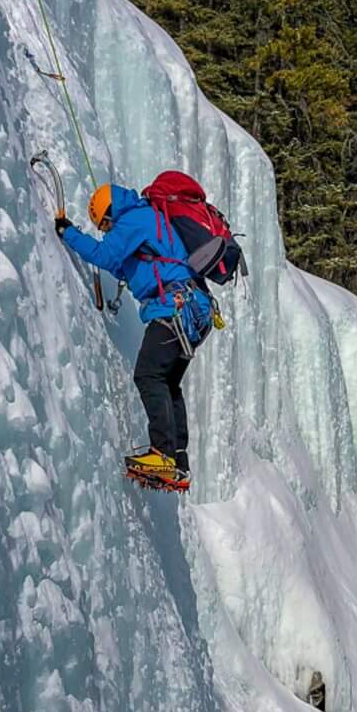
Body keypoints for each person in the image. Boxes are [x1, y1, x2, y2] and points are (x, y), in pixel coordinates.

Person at [57, 181, 216, 489]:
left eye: (104, 224)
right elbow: (127, 266)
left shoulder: (132, 219)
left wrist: (68, 232)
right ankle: (178, 463)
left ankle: (163, 455)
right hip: (193, 310)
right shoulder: (147, 220)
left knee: (148, 375)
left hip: (175, 307)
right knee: (168, 384)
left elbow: (105, 255)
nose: (106, 230)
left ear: (109, 212)